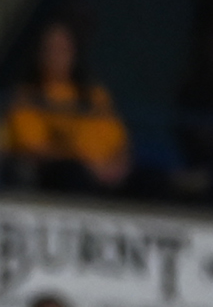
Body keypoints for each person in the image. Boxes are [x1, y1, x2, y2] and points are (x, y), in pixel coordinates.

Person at [3, 20, 131, 192]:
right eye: (51, 49)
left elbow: (120, 143)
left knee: (152, 181)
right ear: (38, 53)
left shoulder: (94, 96)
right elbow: (33, 148)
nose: (57, 56)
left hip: (103, 174)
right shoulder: (26, 96)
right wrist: (87, 165)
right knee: (72, 173)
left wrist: (117, 168)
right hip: (60, 174)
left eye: (63, 49)